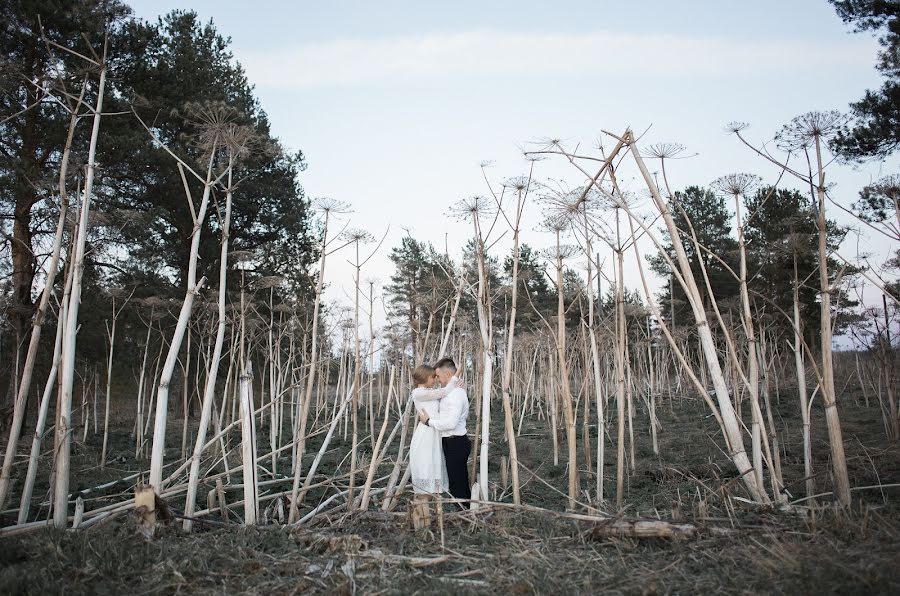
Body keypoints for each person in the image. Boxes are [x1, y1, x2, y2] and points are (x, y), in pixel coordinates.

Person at [408, 364, 461, 527]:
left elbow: (445, 395)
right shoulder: (418, 393)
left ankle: (430, 520)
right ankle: (421, 522)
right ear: (425, 378)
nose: (435, 379)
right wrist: (456, 376)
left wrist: (456, 384)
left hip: (434, 434)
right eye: (433, 377)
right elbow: (444, 392)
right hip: (425, 437)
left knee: (434, 470)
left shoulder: (428, 393)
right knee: (426, 469)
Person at [418, 357, 470, 508]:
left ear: (447, 374)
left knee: (457, 484)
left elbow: (450, 423)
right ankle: (465, 510)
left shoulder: (456, 395)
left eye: (438, 376)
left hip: (456, 442)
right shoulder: (450, 392)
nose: (437, 380)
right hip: (452, 442)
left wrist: (428, 422)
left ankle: (464, 515)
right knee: (457, 481)